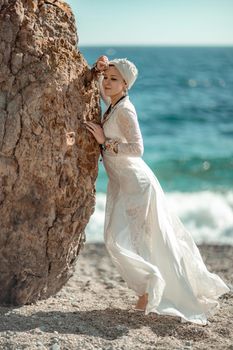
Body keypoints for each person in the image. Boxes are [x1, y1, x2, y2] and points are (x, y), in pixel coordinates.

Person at [84, 56, 230, 325]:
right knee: (117, 237)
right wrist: (97, 70)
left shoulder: (126, 110)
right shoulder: (114, 105)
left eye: (114, 79)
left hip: (137, 184)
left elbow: (138, 149)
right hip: (123, 184)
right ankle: (151, 289)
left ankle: (150, 293)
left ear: (126, 85)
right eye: (107, 78)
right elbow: (100, 92)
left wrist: (106, 142)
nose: (107, 82)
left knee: (141, 240)